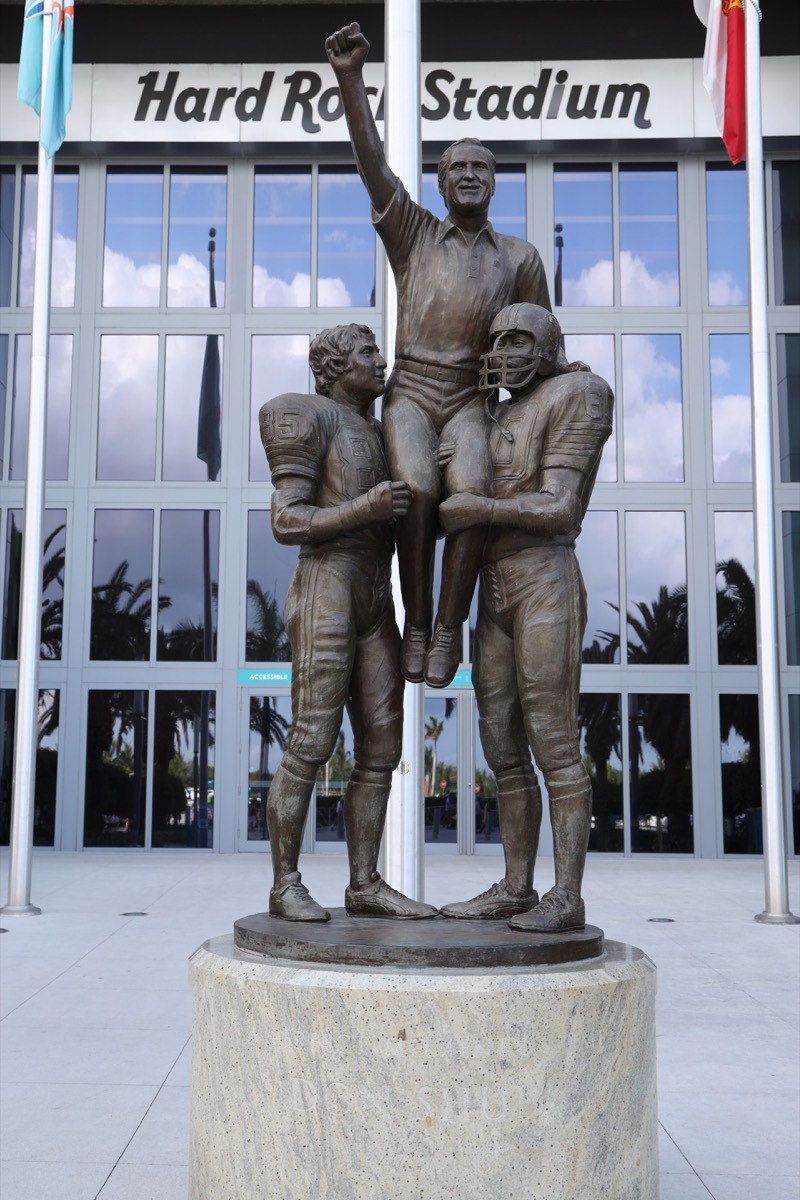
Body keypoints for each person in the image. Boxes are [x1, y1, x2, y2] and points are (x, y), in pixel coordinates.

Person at [325, 23, 559, 689]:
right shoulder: (414, 234)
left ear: (494, 182)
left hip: (471, 399)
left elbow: (545, 340)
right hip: (413, 392)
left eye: (481, 167)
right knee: (418, 491)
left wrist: (548, 390)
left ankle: (450, 625)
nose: (469, 175)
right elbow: (372, 163)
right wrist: (350, 78)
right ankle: (419, 623)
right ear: (441, 180)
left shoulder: (520, 257)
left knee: (471, 498)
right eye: (457, 167)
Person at [438, 304, 613, 932]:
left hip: (545, 579)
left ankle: (566, 893)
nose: (502, 350)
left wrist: (478, 507)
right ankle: (517, 885)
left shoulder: (579, 392)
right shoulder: (494, 412)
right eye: (495, 339)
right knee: (501, 743)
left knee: (553, 741)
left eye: (516, 339)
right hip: (495, 587)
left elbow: (561, 505)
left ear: (546, 345)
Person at [259, 323, 438, 922]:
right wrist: (366, 507)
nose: (380, 360)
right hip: (327, 582)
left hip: (373, 592)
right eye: (367, 352)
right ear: (333, 365)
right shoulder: (304, 416)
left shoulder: (384, 430)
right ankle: (285, 882)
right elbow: (287, 520)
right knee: (311, 737)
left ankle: (364, 882)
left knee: (383, 742)